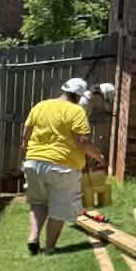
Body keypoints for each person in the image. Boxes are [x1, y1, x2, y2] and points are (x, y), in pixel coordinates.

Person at [22, 77, 106, 255]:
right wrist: (99, 157)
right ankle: (50, 249)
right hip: (62, 167)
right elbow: (82, 142)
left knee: (38, 202)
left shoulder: (41, 105)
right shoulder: (76, 111)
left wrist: (27, 155)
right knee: (59, 210)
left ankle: (33, 237)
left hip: (33, 162)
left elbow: (26, 134)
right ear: (78, 96)